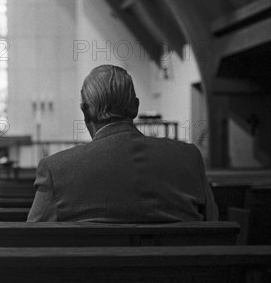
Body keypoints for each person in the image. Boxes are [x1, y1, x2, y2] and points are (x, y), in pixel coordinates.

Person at [27, 65, 218, 222]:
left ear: (85, 112)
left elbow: (31, 239)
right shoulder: (190, 157)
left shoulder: (56, 169)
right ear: (135, 107)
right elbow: (214, 226)